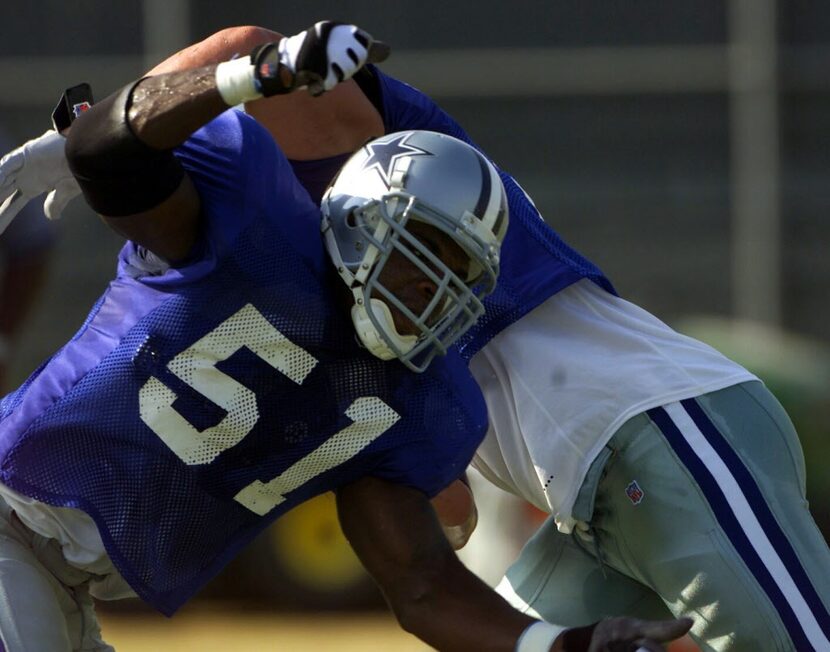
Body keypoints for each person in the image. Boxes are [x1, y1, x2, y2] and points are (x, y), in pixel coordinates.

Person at [0, 21, 691, 652]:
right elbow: (98, 148)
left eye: (458, 278)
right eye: (423, 263)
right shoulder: (251, 224)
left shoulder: (399, 390)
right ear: (363, 224)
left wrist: (567, 646)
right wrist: (259, 75)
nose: (433, 295)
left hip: (63, 582)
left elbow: (422, 587)